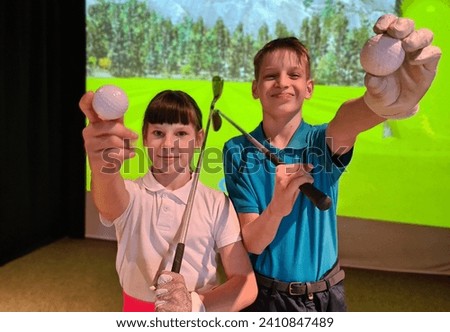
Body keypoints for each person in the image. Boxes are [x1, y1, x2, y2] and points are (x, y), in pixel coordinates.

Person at [222, 14, 441, 312]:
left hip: (325, 297)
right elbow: (253, 243)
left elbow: (347, 121)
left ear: (309, 88)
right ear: (255, 88)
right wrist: (278, 207)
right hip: (265, 298)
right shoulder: (237, 151)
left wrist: (381, 105)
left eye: (294, 75)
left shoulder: (318, 141)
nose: (282, 83)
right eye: (271, 76)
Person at [79, 89, 257, 312]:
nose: (168, 144)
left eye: (181, 133)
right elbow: (108, 200)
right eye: (158, 133)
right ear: (144, 137)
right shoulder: (131, 193)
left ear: (199, 139)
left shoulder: (217, 202)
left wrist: (194, 306)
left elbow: (246, 284)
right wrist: (103, 168)